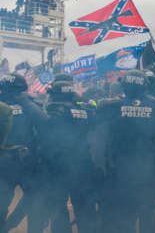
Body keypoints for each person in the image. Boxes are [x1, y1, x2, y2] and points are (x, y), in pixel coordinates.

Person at [97, 69, 155, 233]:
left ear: (124, 86)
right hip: (148, 170)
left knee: (125, 214)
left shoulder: (111, 107)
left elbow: (99, 136)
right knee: (147, 212)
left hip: (120, 170)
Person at [38, 74, 99, 233]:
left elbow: (45, 139)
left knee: (58, 208)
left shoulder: (52, 111)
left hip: (58, 166)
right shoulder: (85, 109)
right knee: (84, 206)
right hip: (83, 164)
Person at [0, 73, 47, 233]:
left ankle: (5, 227)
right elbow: (44, 126)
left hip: (6, 163)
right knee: (34, 202)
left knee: (2, 202)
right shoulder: (30, 105)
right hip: (27, 161)